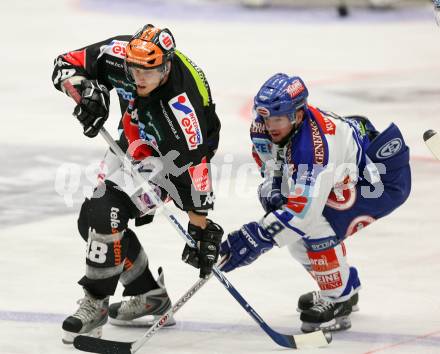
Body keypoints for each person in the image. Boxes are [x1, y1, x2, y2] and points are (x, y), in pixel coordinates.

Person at [52, 24, 223, 344]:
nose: (138, 77)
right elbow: (64, 64)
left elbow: (195, 165)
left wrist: (200, 226)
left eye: (149, 71)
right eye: (134, 69)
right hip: (133, 136)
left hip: (171, 157)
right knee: (92, 222)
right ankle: (149, 294)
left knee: (106, 211)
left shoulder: (182, 110)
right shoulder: (121, 55)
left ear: (167, 66)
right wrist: (83, 91)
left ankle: (96, 304)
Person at [219, 73, 411, 333]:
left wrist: (258, 235)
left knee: (310, 226)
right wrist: (273, 189)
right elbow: (272, 166)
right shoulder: (263, 128)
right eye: (266, 117)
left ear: (298, 115)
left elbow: (303, 215)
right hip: (344, 177)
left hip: (379, 181)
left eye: (278, 119)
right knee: (292, 229)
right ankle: (345, 284)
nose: (270, 125)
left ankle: (339, 299)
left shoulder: (315, 148)